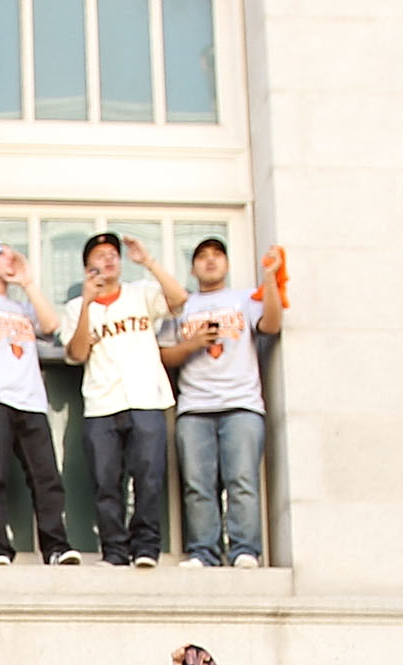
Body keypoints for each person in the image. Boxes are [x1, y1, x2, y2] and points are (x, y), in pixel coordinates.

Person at [65, 232, 182, 567]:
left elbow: (179, 299)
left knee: (148, 477)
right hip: (102, 403)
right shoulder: (75, 308)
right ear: (87, 266)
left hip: (146, 397)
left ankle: (146, 547)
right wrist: (87, 302)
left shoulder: (140, 293)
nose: (109, 258)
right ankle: (114, 551)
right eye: (100, 254)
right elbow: (76, 352)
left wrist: (148, 262)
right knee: (106, 482)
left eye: (113, 253)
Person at [163, 236, 280, 568]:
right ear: (192, 267)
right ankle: (204, 551)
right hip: (194, 407)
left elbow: (271, 323)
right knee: (197, 486)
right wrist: (193, 344)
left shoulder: (243, 298)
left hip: (242, 403)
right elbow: (166, 355)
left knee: (241, 480)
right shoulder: (182, 305)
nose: (210, 261)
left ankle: (245, 549)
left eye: (217, 255)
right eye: (202, 256)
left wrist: (269, 278)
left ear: (227, 263)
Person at [0, 244, 77, 565]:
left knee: (46, 477)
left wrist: (27, 282)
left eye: (12, 253)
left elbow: (52, 326)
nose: (9, 257)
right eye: (0, 253)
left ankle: (55, 546)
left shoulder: (22, 307)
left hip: (31, 399)